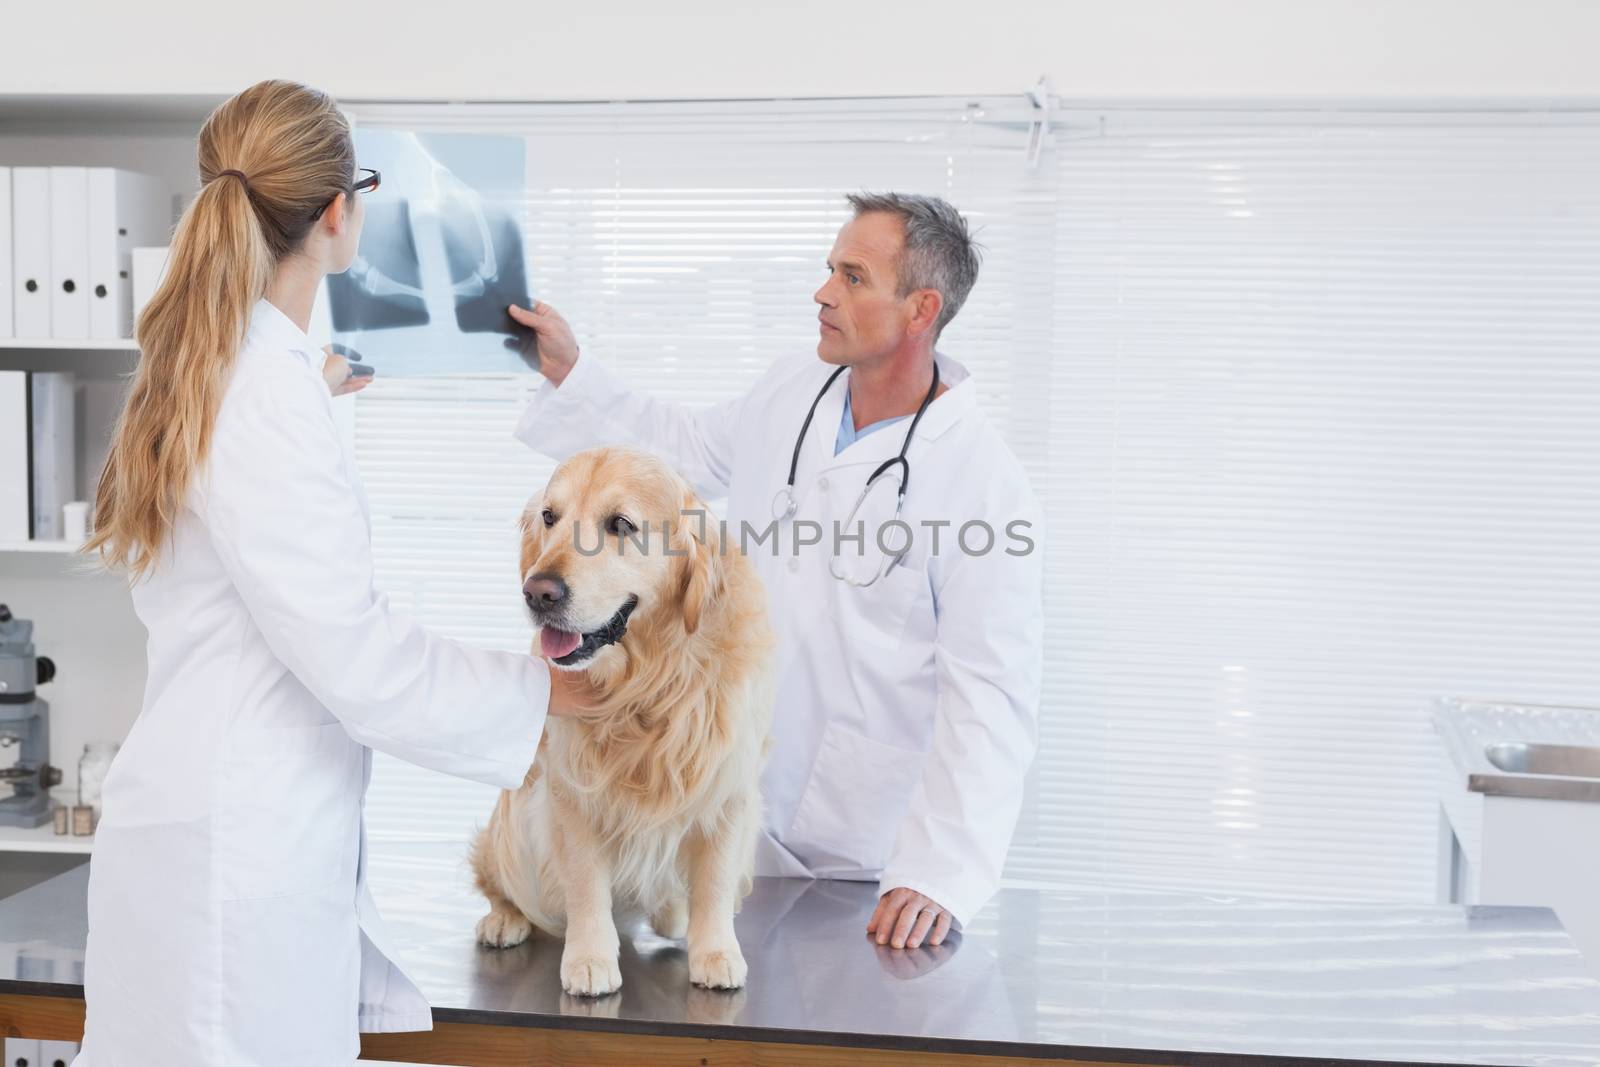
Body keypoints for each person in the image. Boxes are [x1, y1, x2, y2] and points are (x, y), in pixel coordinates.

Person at [74, 80, 587, 1066]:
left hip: (205, 828)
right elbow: (355, 655)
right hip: (237, 853)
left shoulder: (229, 370)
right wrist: (546, 691)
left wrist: (320, 399)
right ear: (339, 212)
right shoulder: (260, 392)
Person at [511, 192, 1043, 952]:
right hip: (731, 811)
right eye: (830, 269)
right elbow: (678, 450)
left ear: (920, 308)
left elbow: (991, 693)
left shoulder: (982, 478)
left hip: (863, 856)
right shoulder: (794, 390)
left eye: (853, 277)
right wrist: (572, 371)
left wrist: (941, 869)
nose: (824, 292)